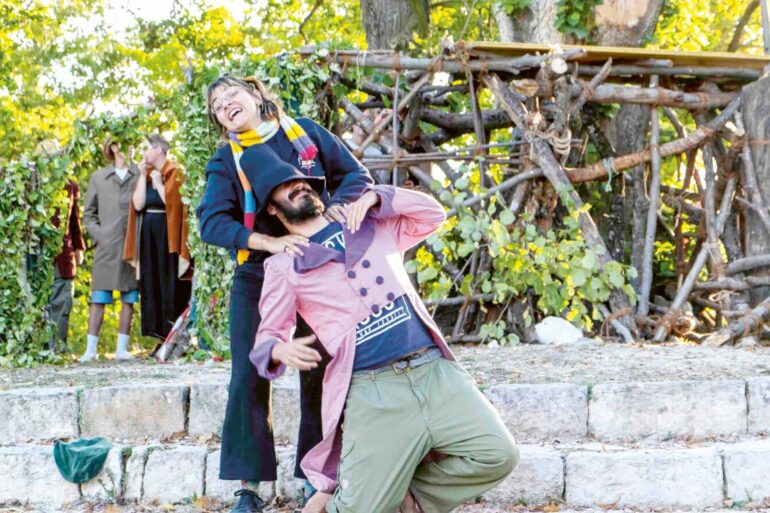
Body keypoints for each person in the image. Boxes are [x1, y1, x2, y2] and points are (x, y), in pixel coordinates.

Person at [249, 167, 519, 513]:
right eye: (285, 185)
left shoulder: (368, 223)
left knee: (499, 453)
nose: (298, 185)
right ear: (272, 208)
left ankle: (405, 496)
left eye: (301, 180)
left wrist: (379, 196)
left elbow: (432, 214)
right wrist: (279, 348)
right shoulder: (284, 266)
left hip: (434, 372)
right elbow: (268, 335)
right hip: (373, 389)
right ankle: (358, 493)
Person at [196, 75, 373, 513]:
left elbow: (356, 175)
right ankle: (249, 487)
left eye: (232, 94)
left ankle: (316, 479)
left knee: (319, 367)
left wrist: (335, 211)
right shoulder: (226, 160)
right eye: (217, 105)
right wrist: (269, 242)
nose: (225, 104)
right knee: (249, 373)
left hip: (317, 267)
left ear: (256, 95)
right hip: (258, 271)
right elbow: (212, 223)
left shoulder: (305, 133)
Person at [124, 134, 192, 340]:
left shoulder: (175, 171)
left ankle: (173, 335)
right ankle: (158, 334)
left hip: (168, 233)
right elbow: (138, 205)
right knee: (151, 280)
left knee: (168, 280)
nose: (143, 153)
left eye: (147, 148)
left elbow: (175, 205)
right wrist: (142, 177)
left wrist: (158, 183)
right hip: (149, 236)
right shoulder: (146, 174)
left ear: (159, 150)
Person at [81, 140, 139, 362]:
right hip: (106, 247)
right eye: (126, 143)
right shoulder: (99, 177)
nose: (130, 147)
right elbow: (88, 215)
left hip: (132, 246)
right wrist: (101, 235)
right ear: (114, 148)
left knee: (129, 297)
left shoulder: (139, 174)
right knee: (99, 297)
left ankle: (121, 350)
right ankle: (90, 350)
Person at [48, 179, 86, 350]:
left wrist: (78, 247)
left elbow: (74, 220)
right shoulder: (24, 174)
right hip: (33, 252)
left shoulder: (69, 184)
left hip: (63, 254)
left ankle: (56, 348)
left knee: (62, 301)